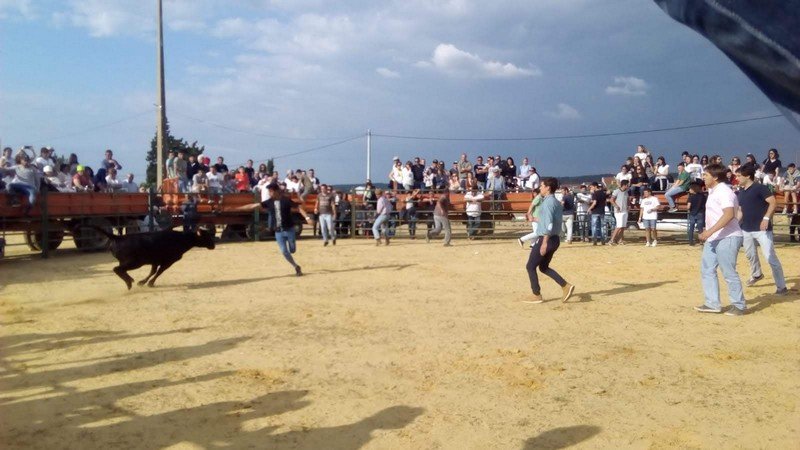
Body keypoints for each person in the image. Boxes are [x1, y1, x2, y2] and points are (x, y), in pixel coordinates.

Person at [695, 163, 746, 315]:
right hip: (714, 237)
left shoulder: (724, 191)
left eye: (706, 175)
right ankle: (712, 303)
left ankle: (739, 305)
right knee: (707, 269)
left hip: (728, 237)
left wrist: (709, 231)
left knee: (728, 272)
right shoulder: (714, 191)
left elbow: (729, 214)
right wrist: (709, 231)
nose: (703, 177)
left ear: (715, 177)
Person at [735, 164, 788, 295]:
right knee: (750, 255)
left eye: (739, 176)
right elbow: (741, 210)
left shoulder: (760, 188)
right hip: (746, 228)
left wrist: (766, 218)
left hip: (762, 229)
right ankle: (757, 274)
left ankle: (781, 286)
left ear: (747, 176)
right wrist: (735, 224)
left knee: (770, 257)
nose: (737, 178)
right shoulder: (741, 192)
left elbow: (773, 202)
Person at [238, 183, 313, 276]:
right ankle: (296, 266)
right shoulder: (269, 202)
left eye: (271, 191)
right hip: (278, 232)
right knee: (284, 251)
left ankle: (292, 247)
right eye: (269, 191)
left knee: (292, 250)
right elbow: (255, 206)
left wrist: (307, 218)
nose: (269, 193)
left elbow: (299, 208)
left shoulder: (286, 200)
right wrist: (241, 208)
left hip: (289, 229)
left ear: (277, 191)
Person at [522, 177, 575, 304]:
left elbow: (549, 225)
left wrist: (544, 242)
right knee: (543, 267)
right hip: (554, 239)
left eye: (542, 186)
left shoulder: (547, 203)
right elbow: (549, 220)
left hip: (547, 239)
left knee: (530, 266)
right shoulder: (555, 202)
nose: (540, 188)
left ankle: (536, 294)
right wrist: (534, 219)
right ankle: (565, 286)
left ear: (548, 188)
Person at [609, 180, 630, 245]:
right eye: (627, 185)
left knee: (623, 226)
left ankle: (620, 240)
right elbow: (611, 200)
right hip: (618, 212)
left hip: (625, 211)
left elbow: (627, 200)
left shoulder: (626, 192)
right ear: (624, 185)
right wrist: (616, 206)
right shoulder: (616, 191)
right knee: (619, 226)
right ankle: (611, 240)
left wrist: (628, 206)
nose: (628, 186)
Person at [686, 181, 706, 246]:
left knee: (691, 228)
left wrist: (688, 209)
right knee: (700, 229)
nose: (689, 190)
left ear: (693, 189)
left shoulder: (691, 197)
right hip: (700, 213)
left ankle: (691, 242)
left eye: (690, 189)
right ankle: (701, 241)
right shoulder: (703, 196)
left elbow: (688, 206)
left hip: (692, 213)